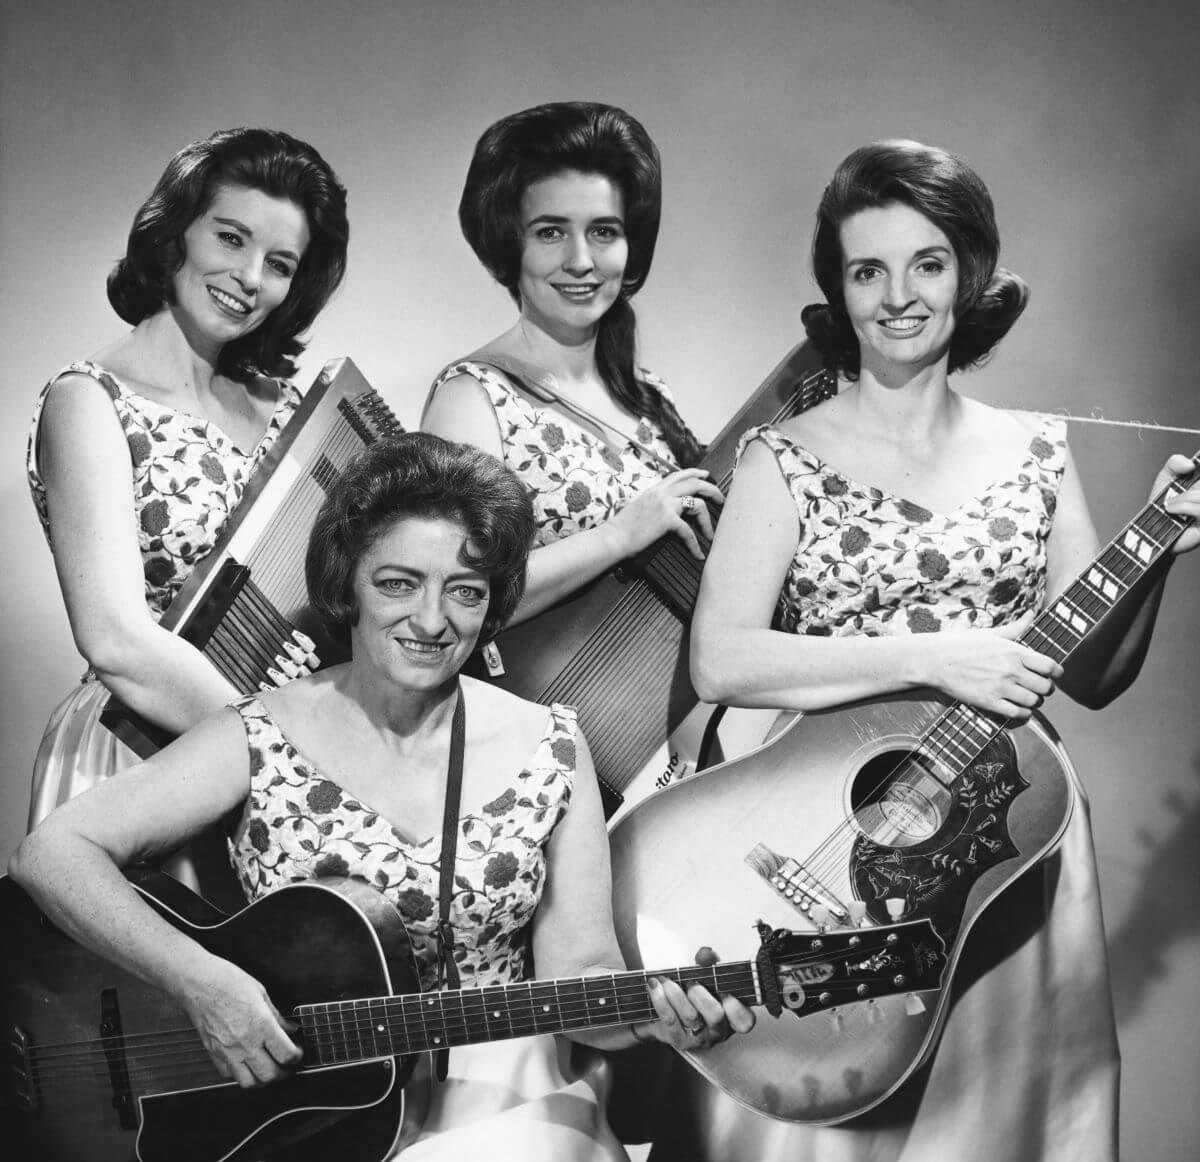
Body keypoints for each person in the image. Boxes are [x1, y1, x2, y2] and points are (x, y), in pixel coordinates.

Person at [10, 432, 756, 1161]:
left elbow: (579, 977)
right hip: (309, 1108)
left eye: (464, 592)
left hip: (501, 1094)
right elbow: (51, 855)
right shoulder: (259, 731)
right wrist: (200, 983)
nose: (431, 621)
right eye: (399, 583)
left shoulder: (553, 749)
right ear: (348, 583)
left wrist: (660, 1022)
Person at [681, 140, 1200, 1161]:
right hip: (840, 834)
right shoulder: (782, 457)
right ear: (837, 288)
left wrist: (1161, 549)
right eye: (866, 270)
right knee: (831, 1113)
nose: (898, 296)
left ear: (969, 273)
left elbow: (1092, 675)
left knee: (995, 1119)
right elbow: (721, 660)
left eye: (925, 263)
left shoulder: (1035, 451)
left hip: (1003, 836)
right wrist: (939, 657)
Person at [25, 127, 350, 830]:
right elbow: (115, 639)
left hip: (282, 763)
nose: (250, 277)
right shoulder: (89, 400)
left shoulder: (290, 407)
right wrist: (292, 756)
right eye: (231, 238)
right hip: (140, 754)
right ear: (176, 233)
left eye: (280, 263)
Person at [422, 100, 722, 625]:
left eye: (604, 231)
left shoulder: (649, 394)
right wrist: (619, 536)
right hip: (545, 704)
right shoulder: (473, 399)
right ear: (509, 244)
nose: (581, 260)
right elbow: (453, 594)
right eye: (551, 232)